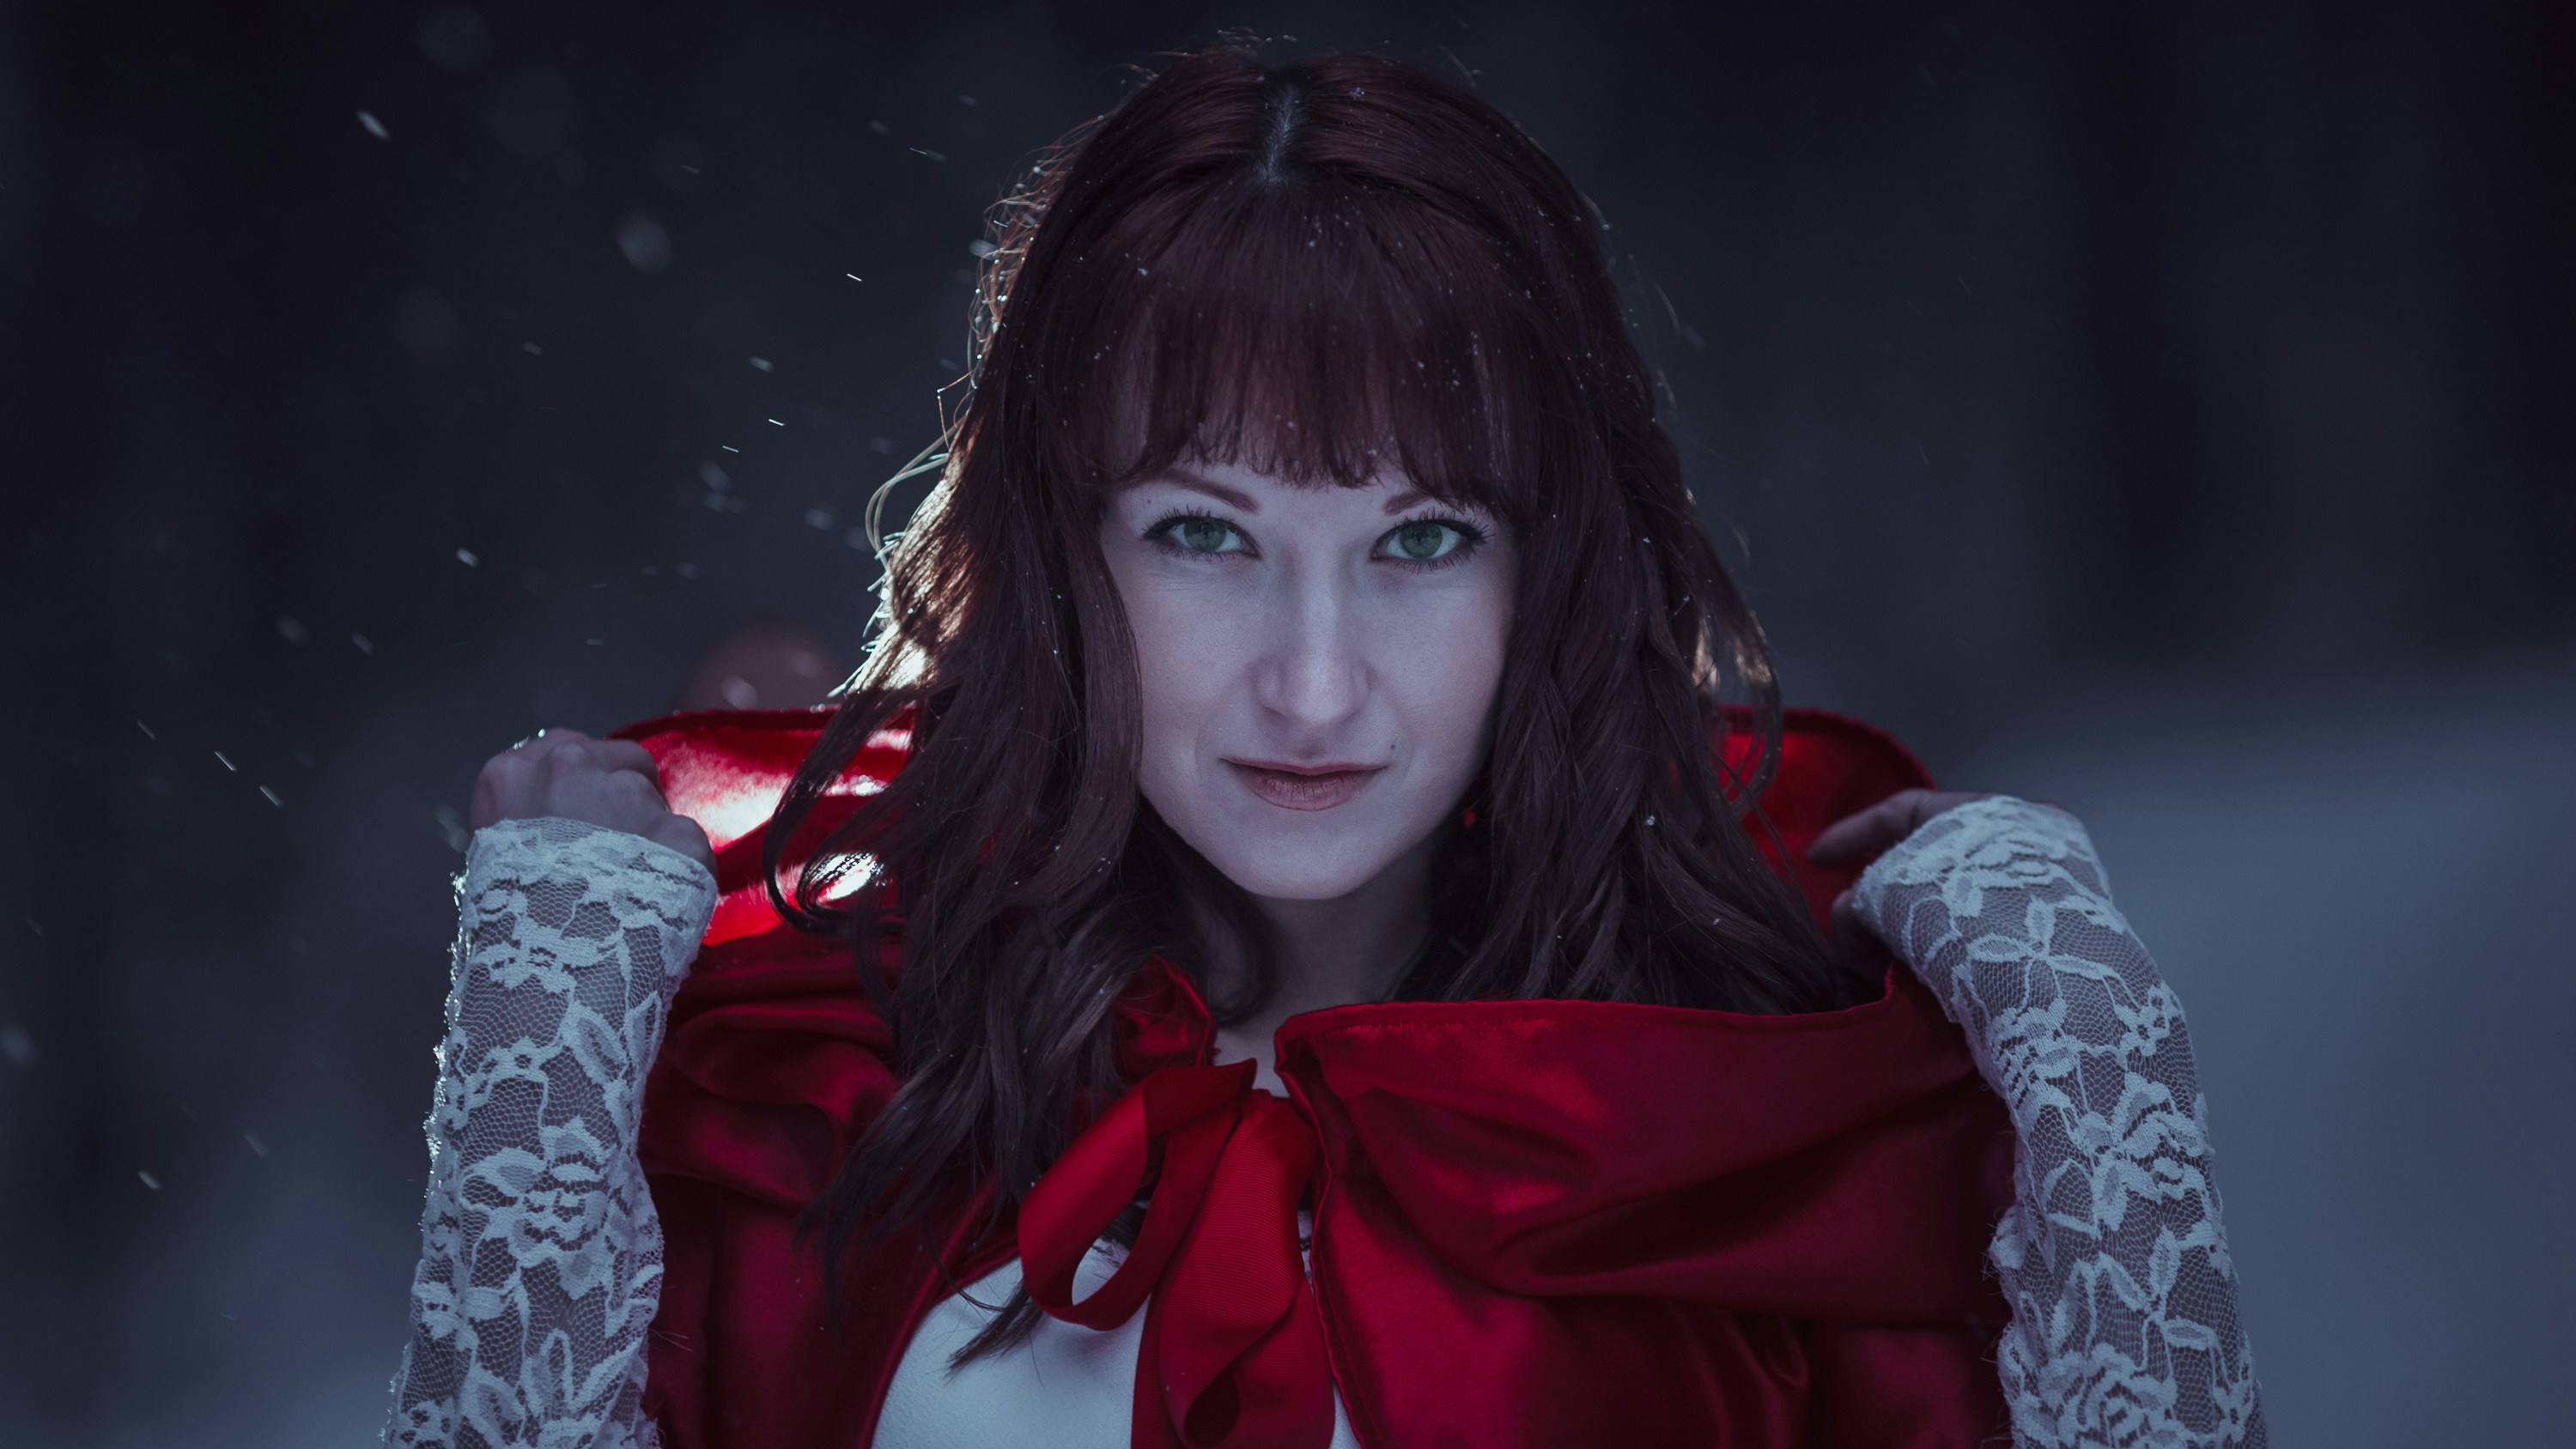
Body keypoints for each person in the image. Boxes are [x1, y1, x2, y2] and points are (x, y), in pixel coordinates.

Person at [384, 48, 2264, 1449]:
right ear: (1061, 556)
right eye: (1205, 534)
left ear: (1550, 572)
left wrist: (2075, 1030)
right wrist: (555, 1013)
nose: (1312, 685)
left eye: (1421, 541)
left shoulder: (1763, 1129)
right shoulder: (816, 1089)